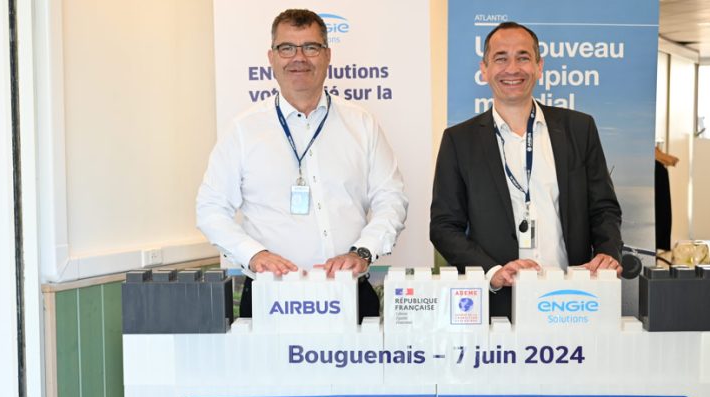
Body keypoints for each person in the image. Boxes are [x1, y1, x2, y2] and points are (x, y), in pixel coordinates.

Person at [196, 9, 408, 321]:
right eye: (287, 48)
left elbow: (391, 199)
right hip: (271, 297)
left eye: (311, 47)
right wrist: (254, 255)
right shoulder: (243, 130)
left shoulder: (362, 124)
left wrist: (363, 251)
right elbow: (210, 209)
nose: (299, 58)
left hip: (349, 292)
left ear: (327, 55)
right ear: (271, 57)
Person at [430, 22, 623, 319]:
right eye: (501, 58)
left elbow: (604, 208)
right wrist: (492, 271)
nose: (512, 68)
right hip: (500, 302)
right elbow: (444, 226)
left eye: (523, 57)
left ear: (539, 66)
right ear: (484, 69)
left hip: (575, 298)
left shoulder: (579, 129)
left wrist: (608, 252)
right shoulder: (459, 140)